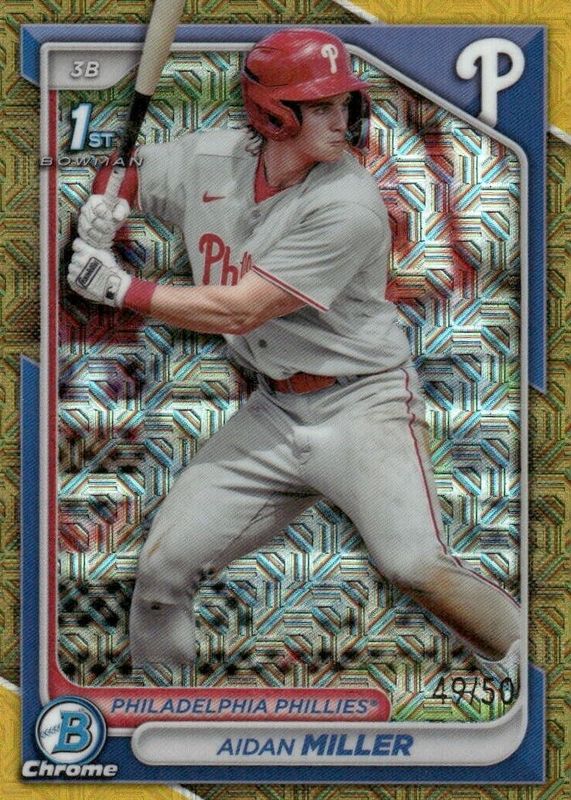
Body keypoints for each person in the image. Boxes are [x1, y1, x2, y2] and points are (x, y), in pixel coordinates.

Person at [68, 29, 520, 676]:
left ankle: (533, 667)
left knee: (414, 566)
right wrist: (107, 200)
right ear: (274, 115)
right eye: (322, 106)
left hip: (362, 406)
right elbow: (130, 170)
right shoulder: (212, 159)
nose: (343, 120)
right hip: (273, 411)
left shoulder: (347, 203)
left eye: (345, 103)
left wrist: (121, 287)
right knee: (162, 573)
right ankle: (163, 710)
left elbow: (239, 309)